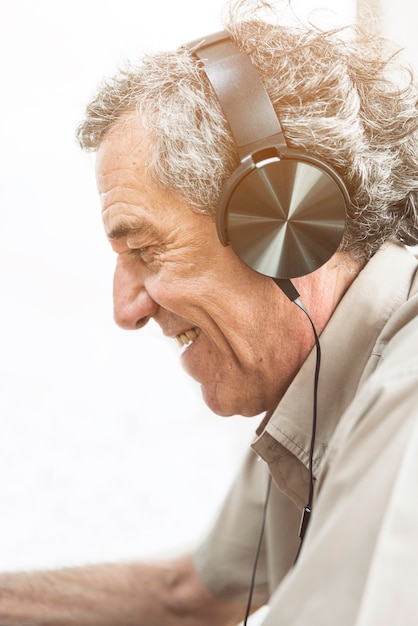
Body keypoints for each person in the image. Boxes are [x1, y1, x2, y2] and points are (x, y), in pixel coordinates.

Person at [1, 0, 418, 624]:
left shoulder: (407, 397)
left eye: (144, 249)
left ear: (285, 223)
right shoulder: (309, 383)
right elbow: (190, 599)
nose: (126, 309)